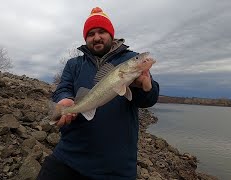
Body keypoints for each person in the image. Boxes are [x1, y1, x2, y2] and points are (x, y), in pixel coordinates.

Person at [37, 7, 159, 180]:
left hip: (116, 167)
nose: (96, 37)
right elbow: (63, 87)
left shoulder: (130, 59)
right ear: (86, 38)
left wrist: (146, 86)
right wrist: (65, 100)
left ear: (111, 34)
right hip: (69, 156)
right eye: (91, 34)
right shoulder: (74, 64)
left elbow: (149, 100)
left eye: (102, 31)